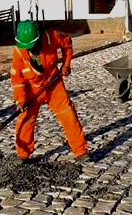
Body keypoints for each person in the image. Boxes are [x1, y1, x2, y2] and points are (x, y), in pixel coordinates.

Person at [10, 20, 89, 163]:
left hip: (53, 84)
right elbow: (17, 79)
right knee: (25, 119)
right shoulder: (18, 52)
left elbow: (67, 44)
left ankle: (80, 151)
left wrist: (66, 64)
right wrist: (21, 99)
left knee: (68, 114)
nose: (29, 49)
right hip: (31, 89)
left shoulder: (52, 36)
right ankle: (23, 153)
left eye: (32, 45)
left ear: (39, 37)